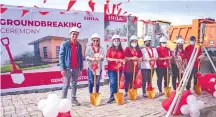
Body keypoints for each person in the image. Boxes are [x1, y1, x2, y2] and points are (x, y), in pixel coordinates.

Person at [59, 27, 83, 106]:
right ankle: (63, 101)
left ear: (78, 35)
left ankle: (73, 99)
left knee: (74, 85)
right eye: (73, 34)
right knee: (66, 85)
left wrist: (80, 69)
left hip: (76, 68)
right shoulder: (65, 44)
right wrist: (62, 68)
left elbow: (80, 57)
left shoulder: (79, 45)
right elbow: (61, 57)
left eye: (76, 34)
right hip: (67, 68)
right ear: (70, 34)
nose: (75, 36)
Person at [106, 34, 125, 103]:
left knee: (117, 82)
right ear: (112, 41)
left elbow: (124, 58)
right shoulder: (110, 49)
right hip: (112, 69)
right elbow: (107, 58)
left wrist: (122, 61)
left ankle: (116, 95)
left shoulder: (121, 50)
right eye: (115, 40)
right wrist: (115, 60)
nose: (116, 42)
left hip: (119, 69)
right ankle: (111, 97)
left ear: (119, 42)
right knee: (112, 82)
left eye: (117, 40)